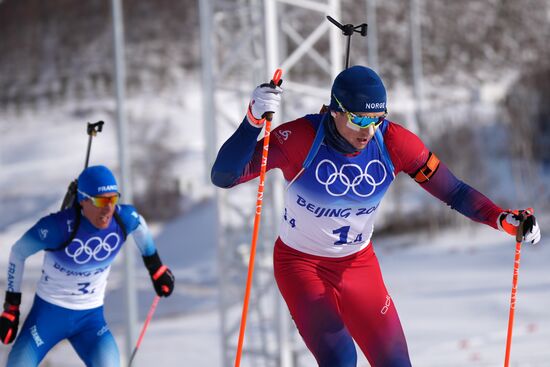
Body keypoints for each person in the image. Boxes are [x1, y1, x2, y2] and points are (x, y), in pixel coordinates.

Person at [210, 65, 541, 367]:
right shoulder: (300, 138)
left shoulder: (395, 142)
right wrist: (253, 120)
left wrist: (501, 218)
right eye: (358, 119)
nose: (367, 130)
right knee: (341, 360)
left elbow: (453, 191)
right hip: (301, 265)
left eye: (376, 118)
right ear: (335, 110)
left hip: (357, 264)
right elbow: (225, 176)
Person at [0, 165, 175, 366]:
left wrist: (156, 268)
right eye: (101, 201)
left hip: (90, 320)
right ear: (83, 200)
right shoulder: (57, 227)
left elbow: (140, 226)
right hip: (48, 316)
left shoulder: (122, 219)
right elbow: (18, 252)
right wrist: (11, 307)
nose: (108, 208)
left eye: (113, 199)